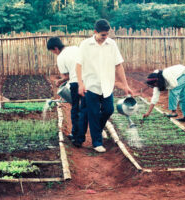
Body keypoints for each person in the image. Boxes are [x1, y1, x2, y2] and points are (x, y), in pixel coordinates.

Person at [76, 19, 134, 153]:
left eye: (107, 34)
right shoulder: (85, 45)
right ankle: (96, 143)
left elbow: (118, 65)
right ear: (95, 32)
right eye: (103, 34)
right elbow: (79, 65)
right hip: (91, 85)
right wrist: (81, 84)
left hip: (107, 85)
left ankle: (98, 129)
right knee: (94, 114)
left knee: (108, 110)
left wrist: (125, 85)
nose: (105, 37)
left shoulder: (111, 44)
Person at [47, 37, 87, 147]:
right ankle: (82, 136)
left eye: (53, 51)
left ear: (56, 48)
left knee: (75, 109)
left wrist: (60, 81)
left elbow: (67, 76)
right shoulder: (75, 48)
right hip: (88, 81)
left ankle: (77, 138)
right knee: (85, 109)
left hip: (75, 83)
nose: (54, 53)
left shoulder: (61, 57)